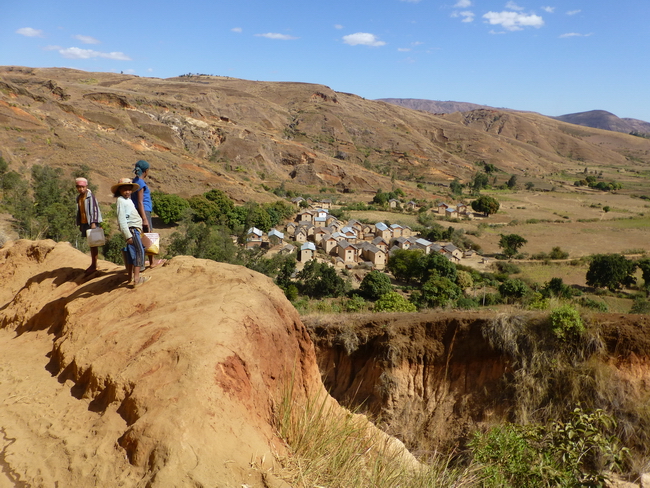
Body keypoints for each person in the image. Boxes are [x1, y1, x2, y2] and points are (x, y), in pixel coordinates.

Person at [112, 177, 150, 287]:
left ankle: (130, 277)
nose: (127, 192)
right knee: (139, 252)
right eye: (125, 189)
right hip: (132, 230)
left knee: (130, 253)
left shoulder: (127, 200)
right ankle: (137, 279)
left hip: (134, 230)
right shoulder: (120, 200)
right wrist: (127, 235)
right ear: (119, 190)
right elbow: (121, 219)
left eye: (129, 189)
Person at [131, 159, 165, 268]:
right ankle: (151, 262)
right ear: (146, 171)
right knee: (148, 234)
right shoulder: (140, 183)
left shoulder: (135, 181)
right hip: (144, 211)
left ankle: (142, 262)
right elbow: (140, 202)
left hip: (138, 211)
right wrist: (145, 219)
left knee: (141, 236)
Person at [75, 177, 102, 276]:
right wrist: (80, 224)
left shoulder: (90, 197)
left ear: (86, 186)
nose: (80, 189)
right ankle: (93, 264)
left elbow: (94, 210)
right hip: (85, 223)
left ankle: (94, 265)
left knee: (94, 244)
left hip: (92, 223)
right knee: (91, 244)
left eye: (82, 187)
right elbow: (79, 211)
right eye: (78, 187)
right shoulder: (79, 198)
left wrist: (93, 223)